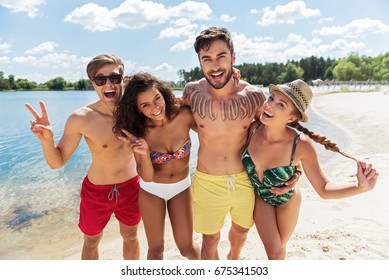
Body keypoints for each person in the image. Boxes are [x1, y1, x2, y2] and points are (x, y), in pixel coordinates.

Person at [181, 26, 298, 260]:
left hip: (245, 178)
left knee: (242, 229)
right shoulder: (192, 92)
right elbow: (161, 112)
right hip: (207, 180)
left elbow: (274, 134)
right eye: (207, 59)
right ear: (200, 62)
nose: (214, 66)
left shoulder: (254, 96)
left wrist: (295, 169)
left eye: (221, 57)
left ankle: (233, 259)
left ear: (233, 58)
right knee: (209, 239)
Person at [241, 78, 379, 260]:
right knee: (275, 252)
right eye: (271, 98)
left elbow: (324, 189)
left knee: (278, 251)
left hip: (287, 200)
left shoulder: (301, 145)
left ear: (291, 118)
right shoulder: (252, 129)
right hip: (261, 197)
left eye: (280, 105)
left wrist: (359, 187)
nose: (270, 106)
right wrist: (235, 76)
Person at [25, 54, 141, 260]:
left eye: (114, 78)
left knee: (131, 235)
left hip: (131, 187)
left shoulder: (138, 109)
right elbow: (57, 162)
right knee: (91, 241)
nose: (108, 84)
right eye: (100, 79)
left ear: (122, 79)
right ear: (93, 84)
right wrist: (47, 141)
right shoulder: (81, 117)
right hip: (97, 192)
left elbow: (166, 103)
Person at [112, 72, 200, 260]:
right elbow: (147, 177)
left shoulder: (184, 115)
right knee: (156, 249)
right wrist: (144, 153)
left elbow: (211, 130)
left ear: (164, 93)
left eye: (157, 98)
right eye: (145, 105)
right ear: (138, 109)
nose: (155, 108)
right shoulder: (139, 131)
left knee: (187, 248)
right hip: (151, 191)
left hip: (181, 188)